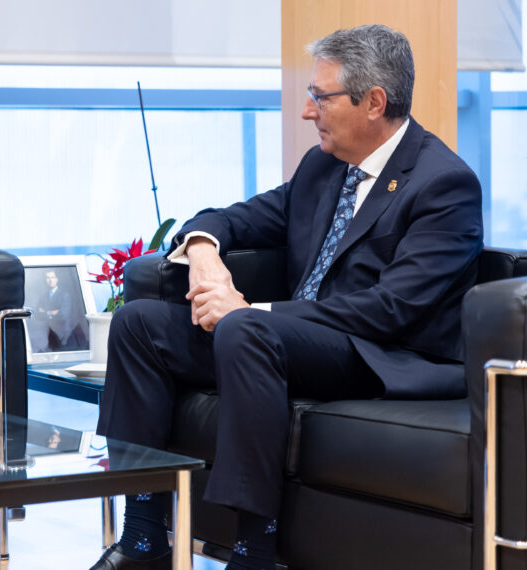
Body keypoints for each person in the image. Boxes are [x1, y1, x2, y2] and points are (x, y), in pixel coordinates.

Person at [90, 25, 483, 570]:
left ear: (373, 103)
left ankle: (253, 551)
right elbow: (233, 218)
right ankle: (143, 540)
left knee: (245, 328)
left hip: (377, 353)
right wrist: (203, 252)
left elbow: (393, 308)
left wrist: (254, 312)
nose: (307, 111)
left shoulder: (443, 184)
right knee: (138, 323)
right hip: (284, 343)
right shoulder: (324, 168)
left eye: (321, 97)